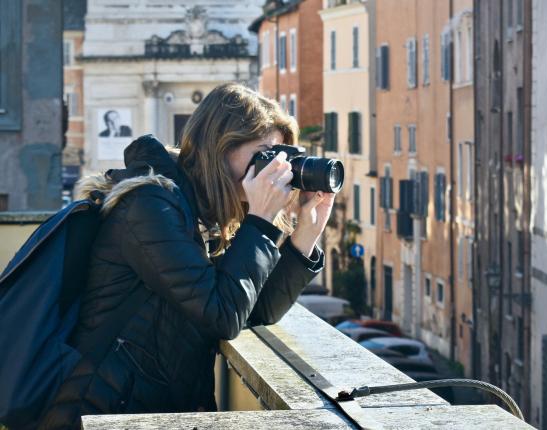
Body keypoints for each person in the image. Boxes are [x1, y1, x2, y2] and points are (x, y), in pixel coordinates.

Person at [39, 83, 334, 428]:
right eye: (265, 154)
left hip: (148, 412)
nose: (276, 170)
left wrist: (306, 236)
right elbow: (222, 314)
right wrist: (261, 222)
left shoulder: (201, 212)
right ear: (219, 147)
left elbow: (254, 309)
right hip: (97, 414)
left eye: (281, 156)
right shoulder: (151, 206)